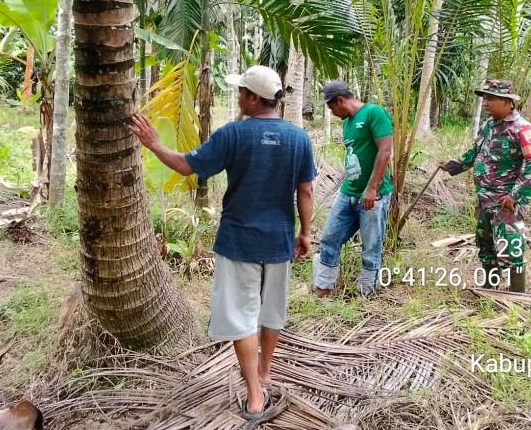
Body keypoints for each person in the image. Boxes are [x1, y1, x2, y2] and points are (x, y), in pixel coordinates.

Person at [129, 65, 316, 423]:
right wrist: (305, 233)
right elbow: (305, 190)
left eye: (242, 91)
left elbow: (187, 166)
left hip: (238, 241)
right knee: (271, 311)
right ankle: (264, 373)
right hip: (279, 241)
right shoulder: (299, 138)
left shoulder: (233, 134)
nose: (239, 96)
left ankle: (255, 394)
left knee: (241, 316)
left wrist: (154, 144)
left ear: (253, 98)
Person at [439, 80, 531, 293]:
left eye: (491, 98)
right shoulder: (488, 125)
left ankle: (517, 295)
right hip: (484, 200)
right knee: (486, 246)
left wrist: (516, 195)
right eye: (485, 98)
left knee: (511, 248)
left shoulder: (522, 128)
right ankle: (490, 289)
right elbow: (475, 152)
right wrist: (452, 166)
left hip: (505, 203)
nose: (486, 103)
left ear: (507, 101)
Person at [313, 80, 393, 296]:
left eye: (331, 107)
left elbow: (385, 151)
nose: (332, 112)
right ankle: (323, 289)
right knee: (329, 238)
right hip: (348, 192)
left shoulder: (374, 113)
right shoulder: (347, 122)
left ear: (340, 100)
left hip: (374, 196)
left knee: (370, 247)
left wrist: (372, 188)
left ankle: (365, 293)